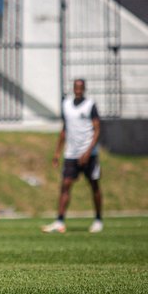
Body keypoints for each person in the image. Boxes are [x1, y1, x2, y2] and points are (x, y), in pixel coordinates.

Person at [42, 78, 103, 234]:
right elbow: (64, 129)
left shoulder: (90, 105)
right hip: (71, 153)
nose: (78, 90)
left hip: (89, 154)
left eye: (81, 88)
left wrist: (88, 151)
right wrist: (57, 152)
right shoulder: (66, 105)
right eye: (76, 88)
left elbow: (97, 129)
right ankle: (59, 221)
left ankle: (98, 220)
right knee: (65, 184)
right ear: (73, 88)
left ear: (84, 89)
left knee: (94, 185)